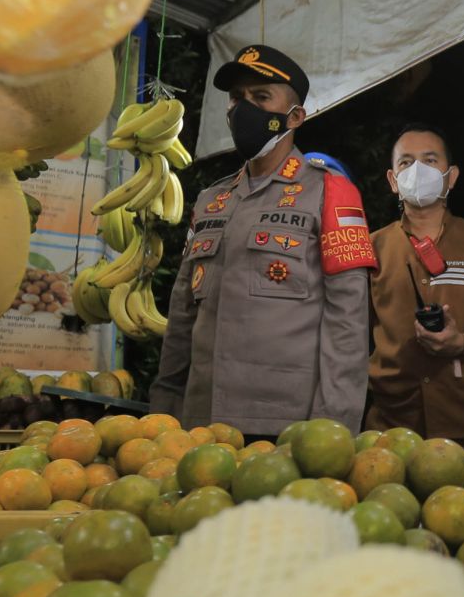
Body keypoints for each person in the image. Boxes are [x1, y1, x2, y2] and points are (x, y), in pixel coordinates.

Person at [150, 44, 378, 436]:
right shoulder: (211, 200)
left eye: (261, 97)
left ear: (295, 116)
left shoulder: (329, 192)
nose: (244, 108)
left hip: (284, 427)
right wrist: (165, 412)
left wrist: (332, 430)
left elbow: (348, 323)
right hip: (200, 424)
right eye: (237, 98)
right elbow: (183, 313)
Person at [366, 123, 464, 453]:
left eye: (430, 160)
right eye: (406, 163)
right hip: (389, 430)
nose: (418, 170)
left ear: (451, 177)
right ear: (393, 181)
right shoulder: (371, 248)